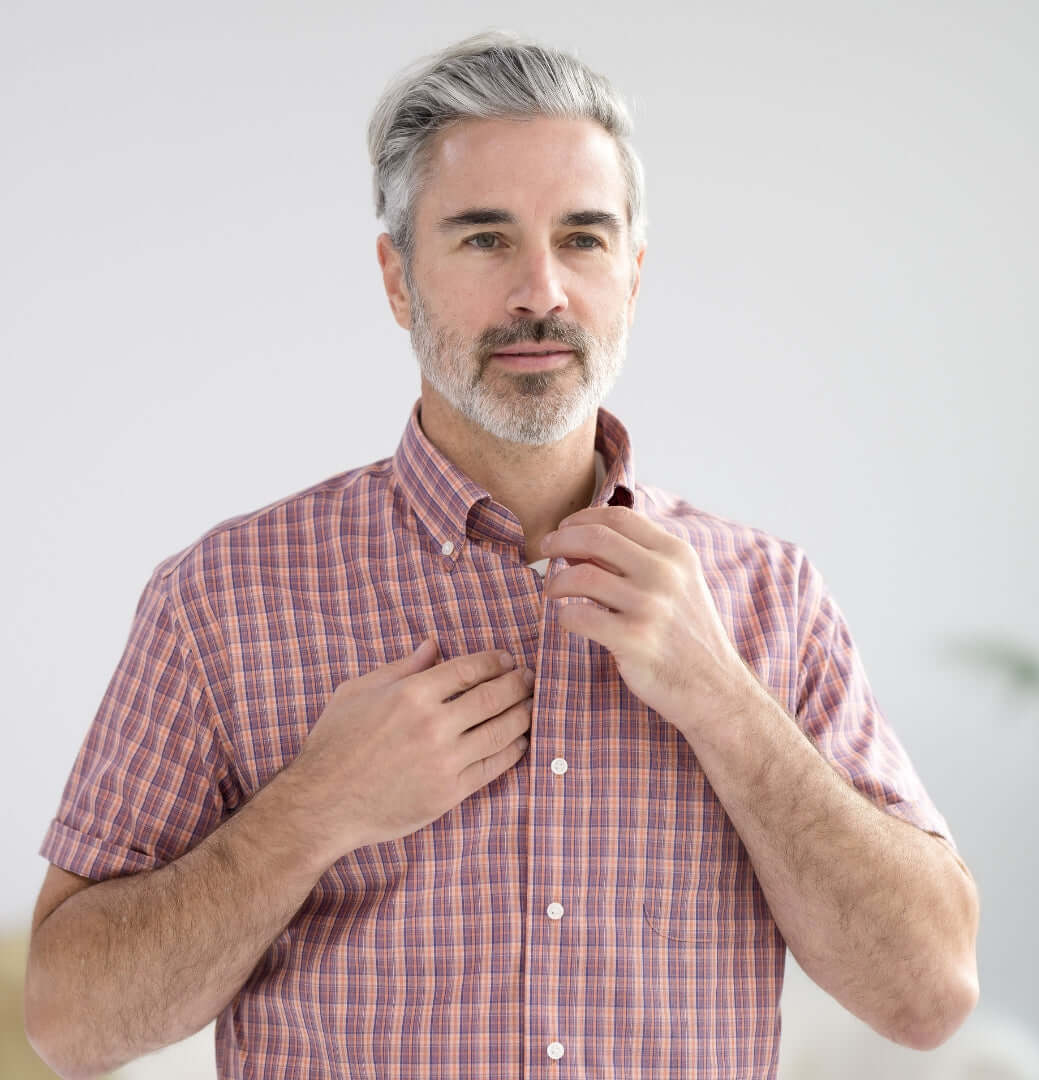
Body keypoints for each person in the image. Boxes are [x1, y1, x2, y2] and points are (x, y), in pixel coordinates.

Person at [24, 29, 980, 1079]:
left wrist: (723, 702)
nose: (541, 291)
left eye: (582, 238)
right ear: (398, 279)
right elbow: (69, 1023)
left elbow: (929, 995)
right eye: (485, 238)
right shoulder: (221, 598)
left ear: (632, 275)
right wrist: (316, 808)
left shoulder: (769, 600)